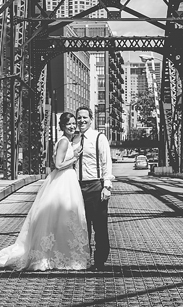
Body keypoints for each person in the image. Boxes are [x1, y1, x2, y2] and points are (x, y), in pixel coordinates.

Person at [0, 112, 89, 271]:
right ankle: (56, 256)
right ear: (62, 126)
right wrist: (75, 157)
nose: (72, 126)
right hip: (63, 180)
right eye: (69, 124)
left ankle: (59, 254)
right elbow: (58, 165)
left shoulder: (66, 141)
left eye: (73, 123)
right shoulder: (63, 142)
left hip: (66, 180)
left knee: (62, 220)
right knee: (63, 218)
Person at [75, 106, 114, 270]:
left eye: (85, 117)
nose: (81, 121)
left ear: (91, 119)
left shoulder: (99, 138)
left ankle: (100, 260)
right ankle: (84, 258)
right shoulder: (74, 139)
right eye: (79, 118)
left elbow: (107, 163)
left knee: (99, 226)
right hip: (76, 188)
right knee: (82, 227)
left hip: (95, 186)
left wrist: (107, 186)